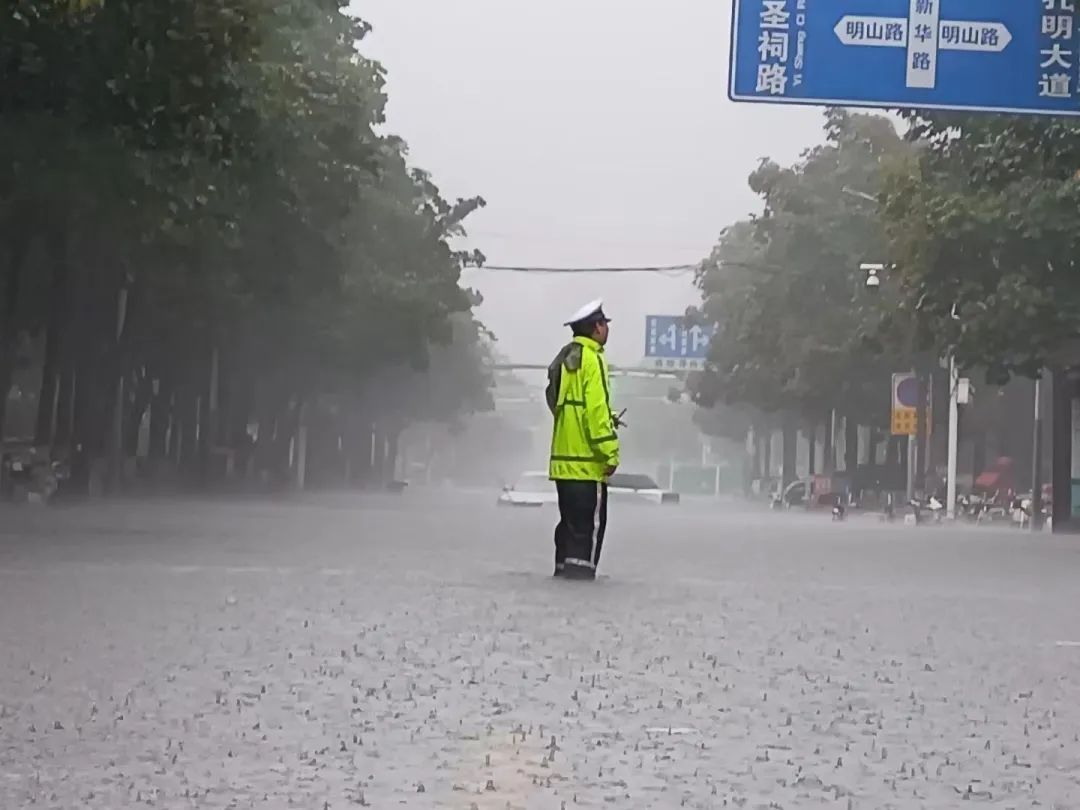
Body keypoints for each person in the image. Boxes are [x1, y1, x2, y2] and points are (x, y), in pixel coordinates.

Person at [545, 299, 620, 580]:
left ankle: (563, 576)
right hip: (588, 466)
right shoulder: (593, 358)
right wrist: (610, 453)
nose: (607, 330)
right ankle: (580, 584)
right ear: (596, 327)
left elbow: (561, 404)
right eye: (604, 324)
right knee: (588, 532)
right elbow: (595, 412)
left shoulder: (566, 358)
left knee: (569, 527)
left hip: (563, 466)